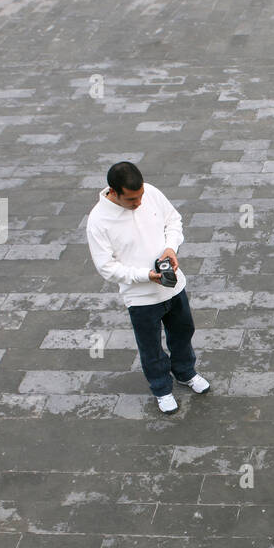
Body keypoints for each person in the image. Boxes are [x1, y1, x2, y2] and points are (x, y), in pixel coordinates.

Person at [86, 161, 209, 415]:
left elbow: (173, 220)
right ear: (114, 192)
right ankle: (162, 389)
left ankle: (186, 373)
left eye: (140, 195)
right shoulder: (98, 221)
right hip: (140, 298)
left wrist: (170, 248)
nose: (139, 202)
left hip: (173, 286)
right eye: (131, 199)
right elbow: (106, 267)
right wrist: (146, 276)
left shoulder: (150, 192)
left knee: (184, 331)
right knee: (150, 347)